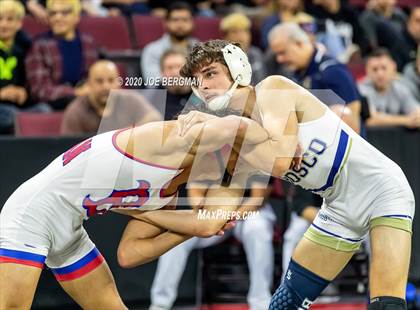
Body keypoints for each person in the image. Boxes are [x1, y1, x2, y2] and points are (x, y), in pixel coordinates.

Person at [174, 39, 414, 309]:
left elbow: (281, 161)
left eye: (210, 73)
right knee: (285, 304)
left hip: (382, 190)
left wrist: (229, 126)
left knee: (386, 305)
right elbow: (227, 196)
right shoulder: (238, 135)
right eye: (196, 80)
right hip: (338, 205)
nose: (203, 86)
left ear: (238, 67)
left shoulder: (273, 88)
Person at [0, 90, 269, 309]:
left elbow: (129, 254)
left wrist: (182, 226)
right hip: (32, 213)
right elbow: (239, 124)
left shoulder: (166, 196)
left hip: (68, 227)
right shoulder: (176, 139)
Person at [149, 176, 276, 310]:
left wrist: (230, 217)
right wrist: (210, 212)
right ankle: (160, 304)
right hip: (215, 214)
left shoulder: (258, 156)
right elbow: (195, 195)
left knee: (258, 229)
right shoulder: (208, 156)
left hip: (249, 213)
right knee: (176, 237)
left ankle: (260, 303)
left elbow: (257, 200)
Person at [268, 22, 362, 133]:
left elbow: (353, 119)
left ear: (299, 44)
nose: (279, 59)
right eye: (277, 55)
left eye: (283, 53)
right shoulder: (296, 73)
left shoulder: (332, 71)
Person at [25, 0, 98, 110]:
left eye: (65, 13)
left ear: (77, 17)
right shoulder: (39, 45)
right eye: (53, 13)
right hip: (55, 104)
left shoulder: (88, 43)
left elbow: (95, 79)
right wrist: (75, 92)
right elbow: (39, 90)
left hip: (85, 101)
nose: (58, 18)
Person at [60, 60, 162, 135]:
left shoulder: (131, 99)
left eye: (111, 80)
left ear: (119, 83)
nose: (106, 86)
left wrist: (126, 134)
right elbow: (68, 148)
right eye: (99, 81)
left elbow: (156, 120)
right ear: (89, 84)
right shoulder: (75, 111)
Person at [0, 0, 51, 134]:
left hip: (21, 107)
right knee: (10, 115)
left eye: (10, 19)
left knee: (45, 110)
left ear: (19, 23)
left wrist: (24, 92)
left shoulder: (28, 47)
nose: (3, 25)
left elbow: (35, 83)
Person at [358, 48, 420, 129]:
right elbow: (370, 119)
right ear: (367, 71)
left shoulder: (400, 87)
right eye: (375, 69)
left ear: (393, 67)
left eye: (384, 68)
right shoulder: (361, 90)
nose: (380, 74)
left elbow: (417, 112)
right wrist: (405, 120)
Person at [140, 1, 197, 84]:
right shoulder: (152, 50)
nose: (180, 24)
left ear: (192, 23)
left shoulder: (200, 49)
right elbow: (153, 83)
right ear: (166, 23)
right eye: (175, 20)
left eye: (185, 20)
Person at [220, 12, 266, 85]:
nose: (241, 37)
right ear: (225, 37)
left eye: (244, 31)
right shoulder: (220, 57)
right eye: (235, 32)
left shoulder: (256, 53)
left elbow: (262, 81)